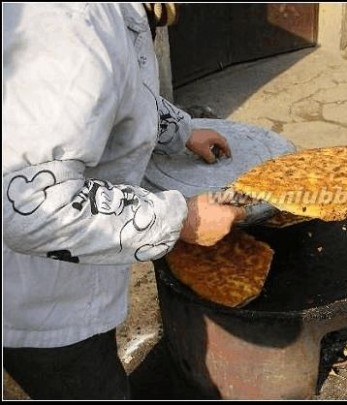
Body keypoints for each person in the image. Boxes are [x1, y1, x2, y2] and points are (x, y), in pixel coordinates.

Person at [2, 3, 247, 399]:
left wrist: (178, 130)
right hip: (41, 302)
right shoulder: (72, 26)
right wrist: (181, 221)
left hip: (62, 277)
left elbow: (116, 86)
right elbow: (33, 209)